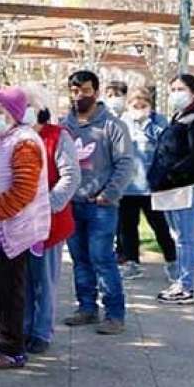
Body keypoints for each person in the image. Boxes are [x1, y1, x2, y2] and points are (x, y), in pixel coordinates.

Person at [0, 87, 50, 369]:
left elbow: (24, 188)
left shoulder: (24, 142)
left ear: (13, 114)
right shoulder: (7, 138)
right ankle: (5, 340)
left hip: (11, 230)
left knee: (8, 291)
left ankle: (11, 349)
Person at [63, 70, 134, 335]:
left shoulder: (113, 126)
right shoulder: (65, 126)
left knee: (102, 258)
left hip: (101, 206)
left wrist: (109, 193)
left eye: (85, 90)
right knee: (80, 259)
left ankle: (114, 314)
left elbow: (125, 163)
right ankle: (87, 308)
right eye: (74, 90)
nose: (79, 95)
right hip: (72, 204)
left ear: (96, 91)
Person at [22, 88, 80, 355]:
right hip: (19, 222)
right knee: (22, 280)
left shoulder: (58, 136)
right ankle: (22, 328)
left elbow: (70, 177)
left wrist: (48, 205)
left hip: (49, 222)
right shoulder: (18, 137)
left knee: (44, 280)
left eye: (28, 104)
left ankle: (41, 331)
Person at [148, 74, 194, 305]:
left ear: (193, 92)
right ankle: (180, 282)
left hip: (184, 187)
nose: (176, 93)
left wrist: (172, 173)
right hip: (169, 188)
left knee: (186, 238)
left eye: (180, 88)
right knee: (178, 237)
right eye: (172, 88)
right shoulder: (178, 117)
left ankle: (186, 285)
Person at [118, 87, 177, 281]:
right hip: (127, 187)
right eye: (135, 104)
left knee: (160, 226)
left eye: (144, 104)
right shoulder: (121, 123)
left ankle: (172, 261)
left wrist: (147, 124)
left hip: (151, 187)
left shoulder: (158, 121)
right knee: (128, 228)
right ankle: (131, 262)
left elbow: (166, 143)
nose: (139, 107)